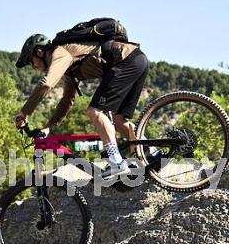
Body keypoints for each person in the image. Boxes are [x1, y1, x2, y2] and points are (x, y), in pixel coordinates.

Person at [14, 32, 149, 180]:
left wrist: (24, 113)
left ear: (39, 52)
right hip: (136, 59)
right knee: (118, 120)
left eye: (31, 61)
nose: (34, 67)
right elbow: (67, 101)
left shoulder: (61, 52)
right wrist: (49, 126)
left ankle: (116, 163)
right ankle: (152, 152)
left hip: (126, 61)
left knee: (94, 111)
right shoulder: (70, 67)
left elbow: (46, 84)